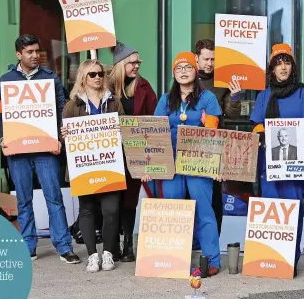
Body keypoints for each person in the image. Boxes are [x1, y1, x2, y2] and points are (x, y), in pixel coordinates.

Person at [0, 34, 80, 263]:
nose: (35, 56)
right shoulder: (5, 81)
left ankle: (63, 246)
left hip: (45, 149)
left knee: (54, 197)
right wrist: (3, 137)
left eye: (37, 51)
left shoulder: (51, 78)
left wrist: (61, 132)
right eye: (29, 52)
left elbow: (62, 108)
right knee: (23, 199)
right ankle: (28, 245)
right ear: (18, 54)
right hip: (18, 150)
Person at [151, 52, 223, 276]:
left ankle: (212, 260)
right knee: (172, 210)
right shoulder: (165, 99)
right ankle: (171, 260)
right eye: (179, 67)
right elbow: (154, 132)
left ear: (196, 70)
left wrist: (217, 165)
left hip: (198, 161)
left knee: (203, 210)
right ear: (174, 73)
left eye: (188, 67)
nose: (183, 71)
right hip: (170, 162)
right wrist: (149, 166)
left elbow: (213, 132)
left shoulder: (208, 98)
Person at [250, 43, 304, 276]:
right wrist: (261, 133)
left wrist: (296, 137)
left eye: (287, 62)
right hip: (268, 162)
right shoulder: (264, 95)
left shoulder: (303, 93)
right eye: (278, 64)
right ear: (272, 68)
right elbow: (256, 124)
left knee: (293, 207)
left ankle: (290, 260)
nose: (283, 68)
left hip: (294, 162)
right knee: (271, 208)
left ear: (293, 66)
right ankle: (270, 258)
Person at [60, 59, 125, 272]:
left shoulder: (113, 102)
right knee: (86, 210)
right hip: (85, 167)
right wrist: (65, 135)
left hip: (110, 164)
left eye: (100, 74)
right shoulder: (72, 105)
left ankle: (108, 253)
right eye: (92, 74)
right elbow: (65, 139)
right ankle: (91, 255)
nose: (97, 77)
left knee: (111, 210)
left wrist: (120, 129)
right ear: (83, 78)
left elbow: (124, 129)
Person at [108, 41, 158, 262]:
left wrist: (150, 158)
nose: (137, 65)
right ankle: (112, 246)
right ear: (120, 64)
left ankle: (128, 244)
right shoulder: (105, 87)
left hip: (136, 150)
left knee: (130, 199)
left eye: (138, 62)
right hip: (111, 151)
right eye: (132, 62)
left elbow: (154, 120)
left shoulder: (144, 87)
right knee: (112, 199)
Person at [195, 38, 241, 237]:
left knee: (214, 193)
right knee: (192, 192)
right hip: (190, 144)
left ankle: (214, 236)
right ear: (196, 58)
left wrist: (235, 97)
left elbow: (232, 114)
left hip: (215, 144)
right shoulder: (186, 76)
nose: (209, 63)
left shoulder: (222, 79)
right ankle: (193, 239)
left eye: (213, 59)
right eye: (205, 59)